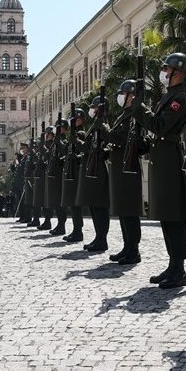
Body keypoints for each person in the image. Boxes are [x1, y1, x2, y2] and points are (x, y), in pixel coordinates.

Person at [134, 53, 186, 289]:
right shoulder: (168, 97)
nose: (163, 72)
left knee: (174, 216)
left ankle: (179, 269)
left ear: (177, 72)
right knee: (166, 217)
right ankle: (173, 265)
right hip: (161, 158)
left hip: (170, 158)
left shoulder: (179, 99)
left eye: (166, 68)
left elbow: (160, 126)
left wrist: (140, 109)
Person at [107, 80, 143, 265]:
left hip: (129, 167)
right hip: (119, 167)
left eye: (124, 93)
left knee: (129, 209)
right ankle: (127, 246)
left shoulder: (135, 115)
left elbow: (128, 138)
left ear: (132, 96)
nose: (120, 96)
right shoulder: (124, 115)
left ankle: (133, 249)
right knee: (123, 209)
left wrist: (107, 133)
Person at [77, 93, 111, 252]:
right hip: (92, 167)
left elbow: (107, 143)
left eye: (93, 107)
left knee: (100, 206)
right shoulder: (95, 125)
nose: (91, 110)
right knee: (93, 205)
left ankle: (102, 239)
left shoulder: (104, 124)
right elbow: (87, 147)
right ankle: (98, 237)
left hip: (99, 169)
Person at [60, 107, 86, 242]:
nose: (73, 122)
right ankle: (76, 230)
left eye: (75, 119)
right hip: (71, 171)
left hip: (77, 171)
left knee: (76, 205)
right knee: (73, 205)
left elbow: (81, 149)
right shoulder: (73, 134)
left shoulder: (81, 133)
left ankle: (78, 231)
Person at [45, 119, 67, 235]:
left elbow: (64, 152)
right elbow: (49, 155)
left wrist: (57, 142)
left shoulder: (63, 139)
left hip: (60, 173)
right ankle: (59, 224)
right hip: (54, 173)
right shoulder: (56, 141)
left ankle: (62, 225)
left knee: (60, 202)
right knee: (56, 202)